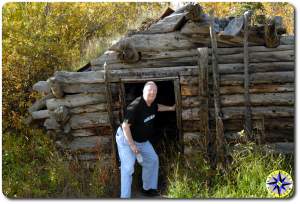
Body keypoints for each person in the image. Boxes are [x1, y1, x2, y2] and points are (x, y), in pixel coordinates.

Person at [115, 81, 175, 198]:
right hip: (126, 139)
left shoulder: (152, 103)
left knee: (153, 160)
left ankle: (147, 188)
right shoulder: (136, 106)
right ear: (143, 91)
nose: (152, 92)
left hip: (142, 140)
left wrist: (171, 108)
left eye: (154, 91)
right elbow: (125, 126)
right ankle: (125, 197)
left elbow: (158, 107)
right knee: (128, 167)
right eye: (149, 90)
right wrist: (132, 146)